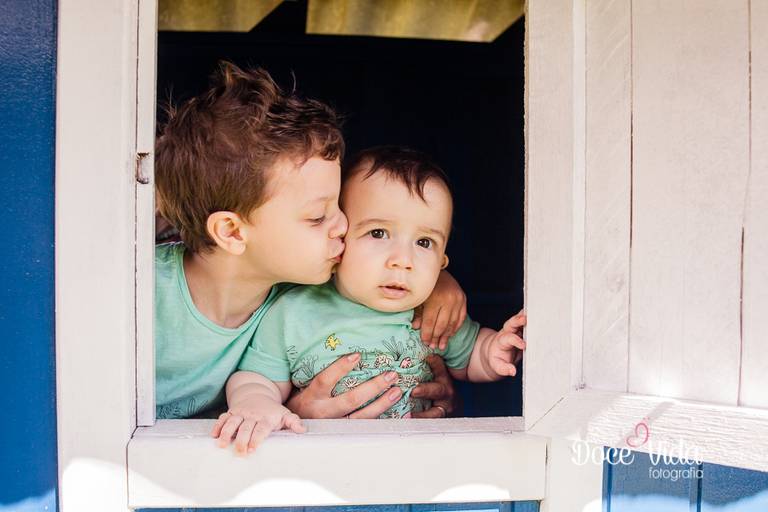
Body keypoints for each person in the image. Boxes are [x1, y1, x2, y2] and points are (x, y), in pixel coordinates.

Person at [153, 63, 466, 420]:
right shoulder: (140, 298)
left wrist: (438, 279)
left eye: (340, 207)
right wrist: (295, 412)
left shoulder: (300, 282)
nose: (343, 225)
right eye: (318, 217)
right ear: (233, 232)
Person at [213, 146, 527, 454]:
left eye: (424, 241)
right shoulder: (294, 310)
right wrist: (256, 404)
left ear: (443, 259)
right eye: (378, 233)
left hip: (412, 465)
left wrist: (495, 351)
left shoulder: (433, 315)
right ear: (338, 238)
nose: (402, 260)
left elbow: (472, 358)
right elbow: (257, 377)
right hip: (319, 463)